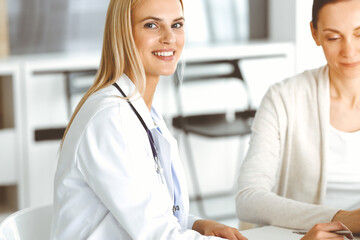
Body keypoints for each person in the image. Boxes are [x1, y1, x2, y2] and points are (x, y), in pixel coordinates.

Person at [50, 0, 247, 239]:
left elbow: (152, 213)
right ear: (123, 33)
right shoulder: (112, 118)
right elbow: (158, 235)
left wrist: (196, 224)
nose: (169, 37)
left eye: (177, 24)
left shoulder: (142, 111)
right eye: (152, 25)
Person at [236, 0, 360, 237]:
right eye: (334, 37)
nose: (350, 50)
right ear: (315, 33)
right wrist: (343, 219)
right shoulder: (283, 99)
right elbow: (248, 198)